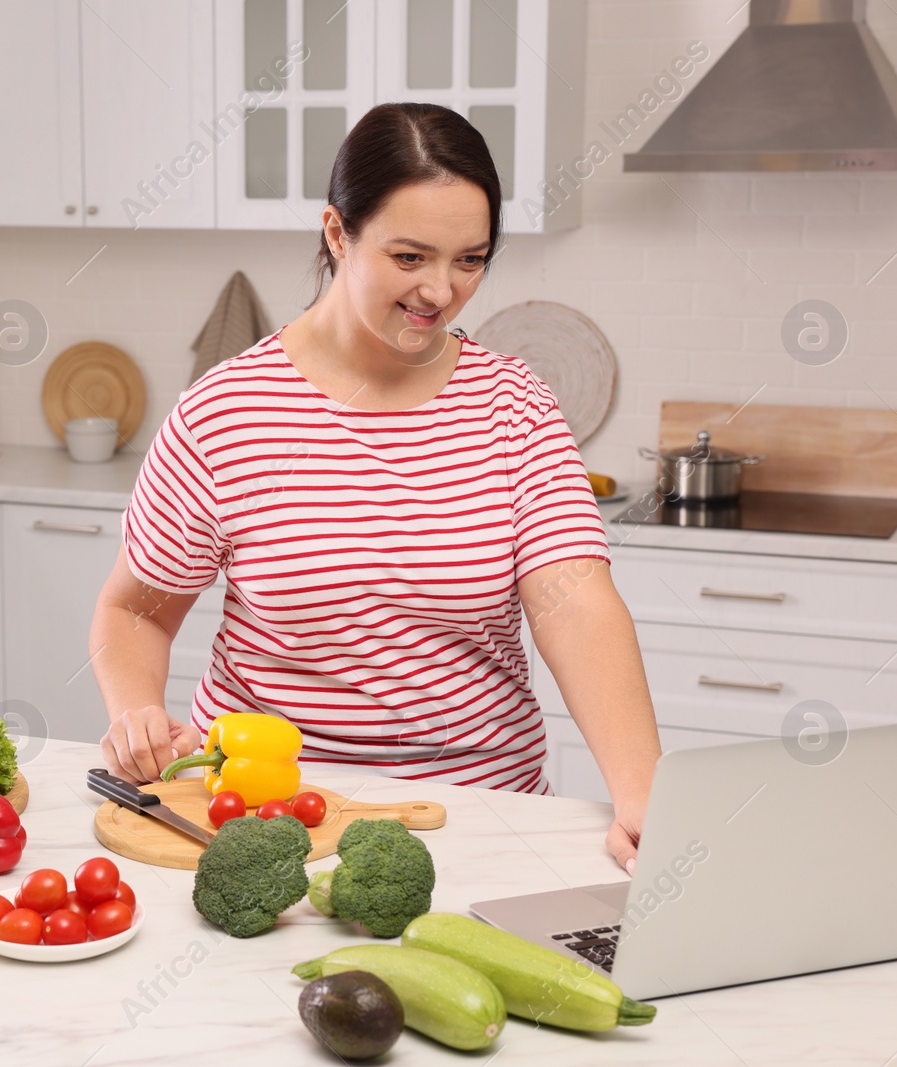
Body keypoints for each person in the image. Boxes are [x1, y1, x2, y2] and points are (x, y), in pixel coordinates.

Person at [89, 102, 661, 874]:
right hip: (268, 821)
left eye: (470, 259)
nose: (440, 290)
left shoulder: (513, 405)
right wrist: (136, 714)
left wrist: (645, 792)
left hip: (478, 818)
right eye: (409, 257)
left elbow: (578, 605)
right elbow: (134, 608)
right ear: (337, 233)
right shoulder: (227, 411)